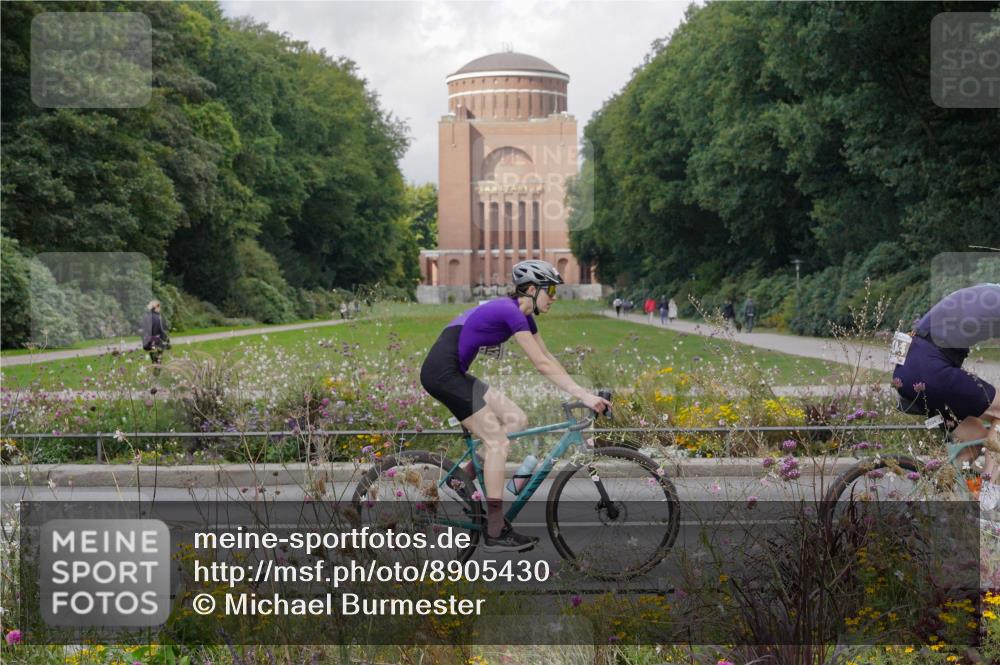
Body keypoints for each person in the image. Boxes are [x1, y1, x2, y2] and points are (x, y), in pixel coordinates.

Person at [420, 260, 611, 552]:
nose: (554, 297)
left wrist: (582, 391)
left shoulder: (523, 316)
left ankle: (462, 479)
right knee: (497, 442)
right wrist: (584, 397)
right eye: (550, 290)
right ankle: (495, 529)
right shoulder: (511, 312)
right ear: (532, 289)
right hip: (442, 374)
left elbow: (549, 358)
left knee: (517, 419)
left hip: (454, 372)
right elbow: (541, 364)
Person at [892, 283, 1000, 507]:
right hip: (930, 371)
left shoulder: (984, 293)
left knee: (973, 437)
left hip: (910, 370)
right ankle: (989, 494)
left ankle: (948, 505)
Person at [141, 300, 170, 373]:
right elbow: (162, 330)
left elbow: (143, 331)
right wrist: (167, 340)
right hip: (157, 341)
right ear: (156, 307)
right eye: (159, 307)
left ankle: (155, 376)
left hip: (149, 342)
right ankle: (157, 376)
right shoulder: (158, 317)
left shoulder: (146, 317)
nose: (160, 309)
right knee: (158, 361)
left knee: (154, 360)